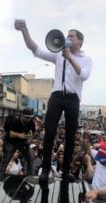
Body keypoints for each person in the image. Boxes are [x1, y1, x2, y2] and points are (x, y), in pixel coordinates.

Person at [15, 19, 92, 183]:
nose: (68, 38)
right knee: (49, 132)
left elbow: (84, 75)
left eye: (71, 36)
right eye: (67, 36)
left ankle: (66, 172)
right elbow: (36, 50)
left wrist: (70, 58)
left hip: (73, 98)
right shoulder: (59, 54)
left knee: (71, 136)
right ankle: (45, 169)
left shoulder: (86, 59)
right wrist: (24, 30)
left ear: (80, 40)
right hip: (57, 96)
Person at [0, 108, 36, 175]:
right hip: (10, 142)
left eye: (30, 118)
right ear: (22, 116)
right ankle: (0, 174)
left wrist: (30, 139)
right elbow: (11, 134)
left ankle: (30, 175)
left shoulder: (31, 122)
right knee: (6, 158)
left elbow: (34, 132)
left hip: (23, 142)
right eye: (26, 118)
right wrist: (19, 135)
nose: (28, 120)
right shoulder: (15, 120)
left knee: (30, 158)